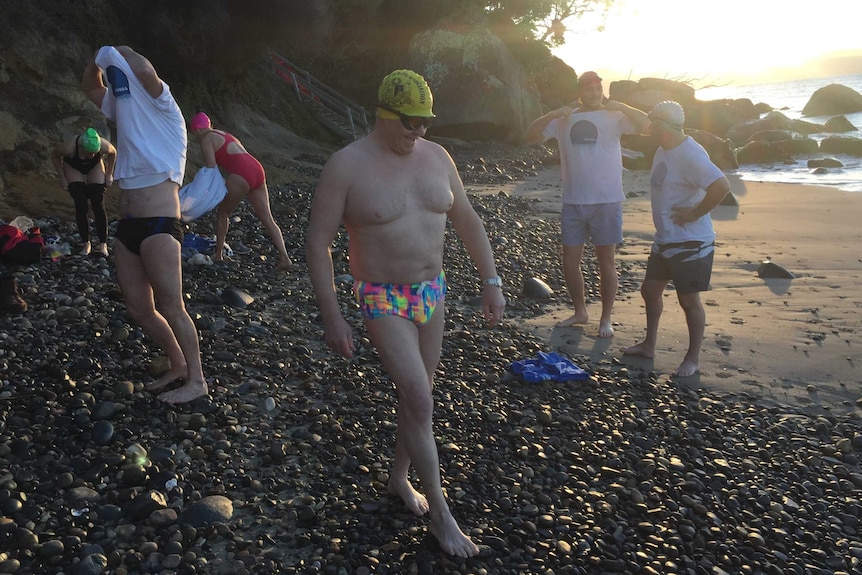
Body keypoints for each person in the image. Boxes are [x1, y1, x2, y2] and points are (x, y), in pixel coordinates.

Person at [305, 69, 506, 558]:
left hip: (431, 291)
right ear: (385, 114)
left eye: (426, 123)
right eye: (411, 122)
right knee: (418, 395)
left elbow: (467, 218)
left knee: (418, 398)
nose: (419, 132)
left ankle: (399, 477)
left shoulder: (436, 157)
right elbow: (317, 242)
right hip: (381, 295)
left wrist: (491, 281)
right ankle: (441, 516)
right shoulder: (346, 165)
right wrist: (332, 315)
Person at [82, 45, 207, 404]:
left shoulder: (167, 110)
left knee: (172, 305)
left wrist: (119, 49)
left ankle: (197, 381)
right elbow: (91, 88)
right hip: (128, 226)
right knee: (139, 308)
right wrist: (96, 61)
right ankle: (178, 362)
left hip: (160, 224)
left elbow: (147, 74)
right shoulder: (123, 109)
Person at [524, 71, 649, 338]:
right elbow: (530, 136)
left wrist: (623, 106)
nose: (594, 93)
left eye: (598, 88)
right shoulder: (565, 118)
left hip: (607, 199)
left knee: (607, 262)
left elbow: (647, 126)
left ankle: (605, 319)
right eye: (589, 89)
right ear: (580, 91)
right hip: (574, 200)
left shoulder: (614, 116)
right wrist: (551, 114)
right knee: (570, 261)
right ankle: (580, 311)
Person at [621, 101, 731, 377]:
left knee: (688, 301)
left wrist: (695, 212)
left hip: (692, 242)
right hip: (666, 239)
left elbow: (721, 186)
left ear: (664, 127)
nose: (648, 127)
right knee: (650, 290)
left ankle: (692, 360)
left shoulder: (690, 155)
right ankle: (649, 345)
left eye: (652, 123)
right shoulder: (663, 148)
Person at [188, 113, 292, 270]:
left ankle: (218, 255)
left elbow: (210, 168)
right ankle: (285, 258)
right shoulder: (225, 134)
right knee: (267, 218)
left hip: (241, 173)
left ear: (197, 130)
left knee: (223, 213)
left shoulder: (206, 139)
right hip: (257, 169)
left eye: (194, 132)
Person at [51, 127, 117, 256]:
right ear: (81, 147)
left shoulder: (103, 145)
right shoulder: (69, 147)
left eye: (94, 153)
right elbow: (54, 155)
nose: (90, 155)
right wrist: (63, 178)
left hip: (95, 166)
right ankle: (86, 243)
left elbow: (113, 153)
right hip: (73, 165)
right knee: (81, 204)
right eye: (88, 153)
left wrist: (109, 174)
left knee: (98, 203)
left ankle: (103, 243)